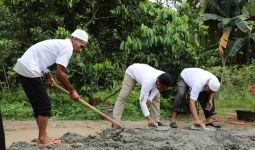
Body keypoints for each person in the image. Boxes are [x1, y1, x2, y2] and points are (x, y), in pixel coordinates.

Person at [13, 29, 88, 148]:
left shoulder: (61, 44)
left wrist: (49, 76)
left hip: (24, 67)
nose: (80, 50)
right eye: (81, 46)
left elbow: (45, 60)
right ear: (74, 39)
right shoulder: (67, 47)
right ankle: (42, 139)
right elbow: (61, 72)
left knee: (39, 106)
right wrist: (72, 91)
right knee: (45, 105)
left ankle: (43, 137)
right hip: (29, 68)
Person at [112, 63, 172, 128]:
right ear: (158, 82)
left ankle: (156, 121)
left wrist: (150, 99)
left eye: (164, 88)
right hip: (132, 73)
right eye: (162, 88)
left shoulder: (163, 77)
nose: (162, 90)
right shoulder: (148, 82)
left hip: (144, 73)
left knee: (156, 97)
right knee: (123, 97)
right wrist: (149, 118)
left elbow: (156, 90)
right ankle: (116, 121)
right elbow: (142, 101)